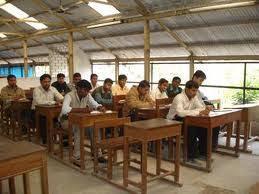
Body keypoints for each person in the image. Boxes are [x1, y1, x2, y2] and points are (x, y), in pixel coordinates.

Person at [59, 80, 105, 160]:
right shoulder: (69, 95)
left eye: (88, 91)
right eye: (86, 91)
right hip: (66, 121)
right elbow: (64, 110)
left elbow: (94, 103)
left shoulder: (87, 95)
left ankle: (97, 154)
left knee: (94, 127)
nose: (87, 93)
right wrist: (83, 110)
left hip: (80, 120)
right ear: (78, 89)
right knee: (78, 128)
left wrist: (99, 107)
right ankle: (77, 157)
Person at [167, 80, 210, 161]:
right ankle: (191, 156)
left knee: (204, 127)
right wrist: (198, 112)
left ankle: (202, 153)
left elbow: (201, 107)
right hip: (173, 121)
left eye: (196, 91)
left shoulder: (194, 97)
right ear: (186, 89)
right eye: (193, 90)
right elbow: (180, 113)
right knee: (191, 128)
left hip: (186, 119)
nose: (195, 93)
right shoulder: (179, 97)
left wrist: (204, 110)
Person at [32, 74, 64, 144]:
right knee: (44, 120)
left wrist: (63, 100)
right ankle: (46, 140)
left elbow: (61, 98)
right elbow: (38, 102)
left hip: (51, 111)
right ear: (41, 82)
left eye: (48, 81)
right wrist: (54, 102)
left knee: (63, 117)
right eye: (45, 82)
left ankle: (64, 140)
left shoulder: (53, 89)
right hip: (37, 112)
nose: (47, 83)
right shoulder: (36, 90)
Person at [192, 70, 219, 149]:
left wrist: (211, 106)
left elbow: (205, 100)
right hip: (193, 115)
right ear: (194, 77)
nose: (201, 83)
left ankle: (211, 147)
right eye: (200, 80)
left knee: (216, 124)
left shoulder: (199, 91)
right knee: (208, 125)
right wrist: (204, 108)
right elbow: (195, 104)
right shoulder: (189, 88)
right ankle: (204, 149)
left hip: (200, 113)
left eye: (202, 81)